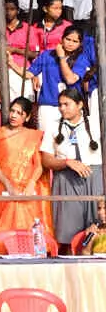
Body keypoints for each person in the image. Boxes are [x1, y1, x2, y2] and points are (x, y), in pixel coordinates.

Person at [0, 97, 53, 255]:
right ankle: (7, 252)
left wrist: (30, 184)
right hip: (3, 186)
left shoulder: (35, 136)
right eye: (12, 111)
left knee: (30, 223)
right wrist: (8, 184)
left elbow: (38, 165)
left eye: (19, 113)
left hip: (28, 188)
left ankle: (33, 253)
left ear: (27, 117)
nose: (14, 115)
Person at [43, 86, 101, 250]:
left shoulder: (96, 123)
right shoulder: (53, 127)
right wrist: (67, 162)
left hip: (93, 178)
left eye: (66, 104)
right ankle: (70, 268)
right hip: (65, 180)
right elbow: (46, 160)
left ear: (80, 104)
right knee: (67, 233)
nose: (62, 108)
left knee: (95, 229)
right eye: (60, 104)